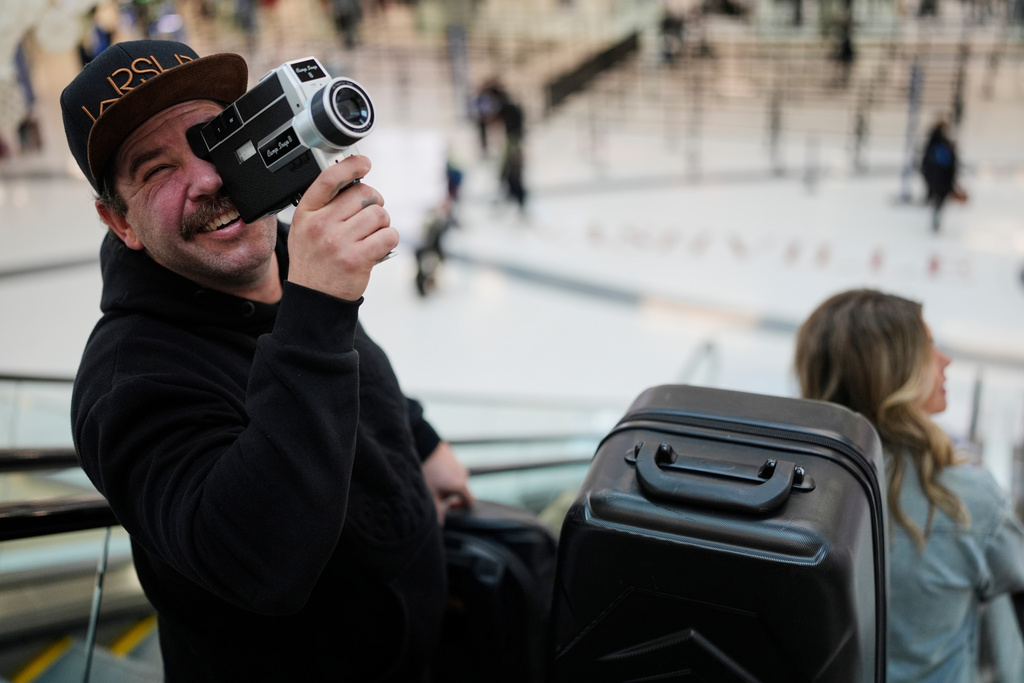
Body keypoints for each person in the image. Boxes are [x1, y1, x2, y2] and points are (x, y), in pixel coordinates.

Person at [61, 39, 473, 682]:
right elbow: (259, 560)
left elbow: (352, 360)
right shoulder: (126, 383)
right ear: (121, 224)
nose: (206, 178)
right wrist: (319, 305)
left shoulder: (285, 248)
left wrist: (420, 439)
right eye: (155, 170)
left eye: (210, 139)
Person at [794, 288, 1024, 683]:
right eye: (929, 347)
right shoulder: (962, 497)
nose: (945, 360)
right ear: (895, 371)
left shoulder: (784, 482)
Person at [920, 118, 965, 233]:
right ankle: (935, 218)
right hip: (942, 178)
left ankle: (934, 213)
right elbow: (949, 165)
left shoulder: (934, 143)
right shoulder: (943, 145)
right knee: (939, 200)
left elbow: (926, 164)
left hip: (936, 178)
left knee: (937, 199)